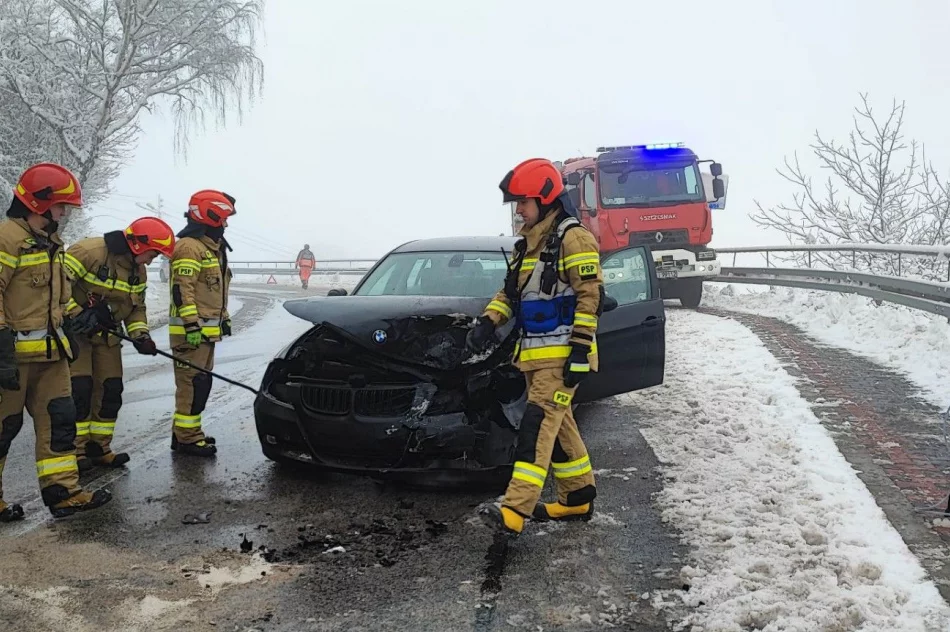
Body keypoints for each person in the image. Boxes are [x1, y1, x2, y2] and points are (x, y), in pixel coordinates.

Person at [467, 158, 603, 537]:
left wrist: (579, 352)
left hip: (561, 360)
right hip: (536, 359)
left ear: (544, 199)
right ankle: (577, 498)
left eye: (523, 203)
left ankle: (515, 510)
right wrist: (487, 321)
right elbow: (511, 292)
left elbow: (590, 298)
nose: (518, 211)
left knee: (536, 428)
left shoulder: (573, 238)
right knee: (560, 429)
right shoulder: (529, 243)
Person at [0, 163, 112, 521]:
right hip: (13, 359)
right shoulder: (7, 238)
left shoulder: (52, 244)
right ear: (38, 203)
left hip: (52, 357)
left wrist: (72, 323)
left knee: (61, 424)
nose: (64, 213)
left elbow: (54, 301)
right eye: (61, 206)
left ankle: (64, 492)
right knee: (3, 429)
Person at [64, 217, 175, 471]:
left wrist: (141, 336)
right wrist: (78, 313)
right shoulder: (88, 252)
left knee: (110, 389)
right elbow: (54, 289)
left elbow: (137, 308)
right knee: (80, 390)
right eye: (153, 253)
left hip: (107, 337)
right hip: (77, 334)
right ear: (138, 244)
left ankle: (99, 448)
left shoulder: (139, 271)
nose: (152, 259)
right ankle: (76, 451)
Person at [167, 190, 235, 457]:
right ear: (211, 216)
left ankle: (185, 433)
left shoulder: (210, 248)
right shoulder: (189, 247)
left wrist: (223, 320)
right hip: (190, 335)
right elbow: (183, 290)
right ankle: (187, 438)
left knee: (200, 384)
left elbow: (215, 291)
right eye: (224, 219)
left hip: (206, 334)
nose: (226, 225)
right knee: (191, 385)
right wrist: (192, 325)